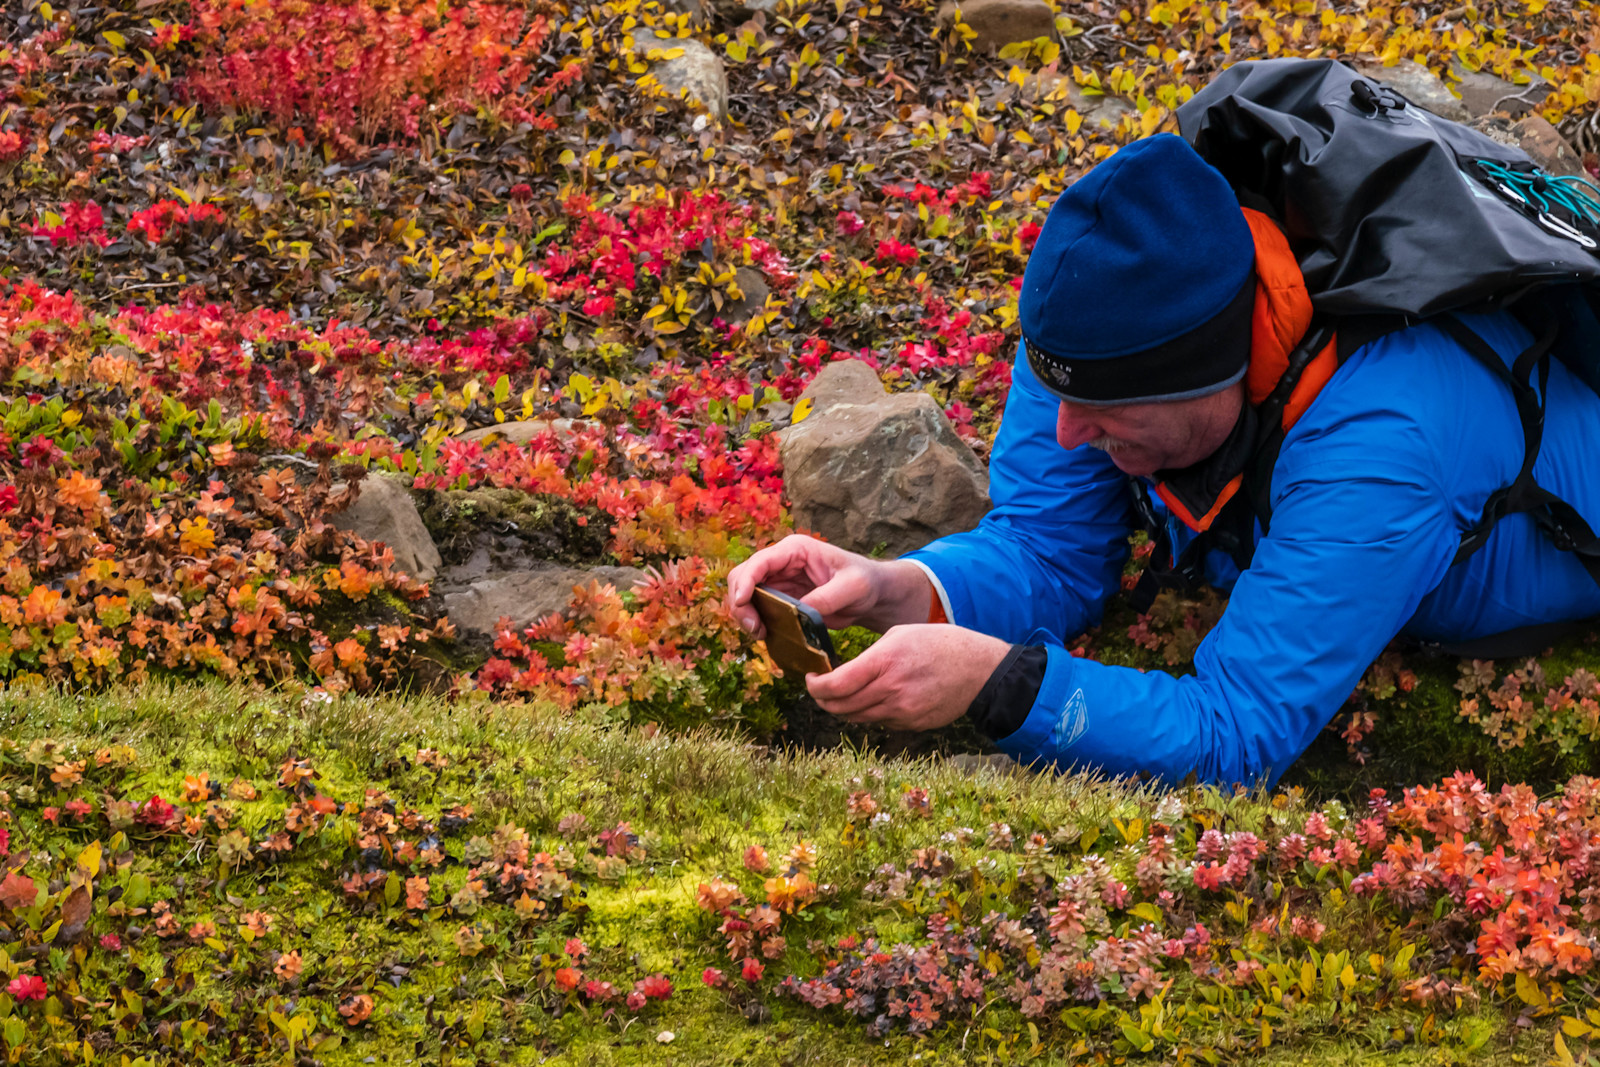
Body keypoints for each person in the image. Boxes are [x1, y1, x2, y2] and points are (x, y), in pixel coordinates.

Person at [725, 132, 1600, 787]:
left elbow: (1234, 734)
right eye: (1057, 392)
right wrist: (904, 587)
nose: (1066, 433)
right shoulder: (1097, 326)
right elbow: (1045, 548)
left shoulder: (1383, 438)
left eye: (1103, 416)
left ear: (1214, 381)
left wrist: (999, 686)